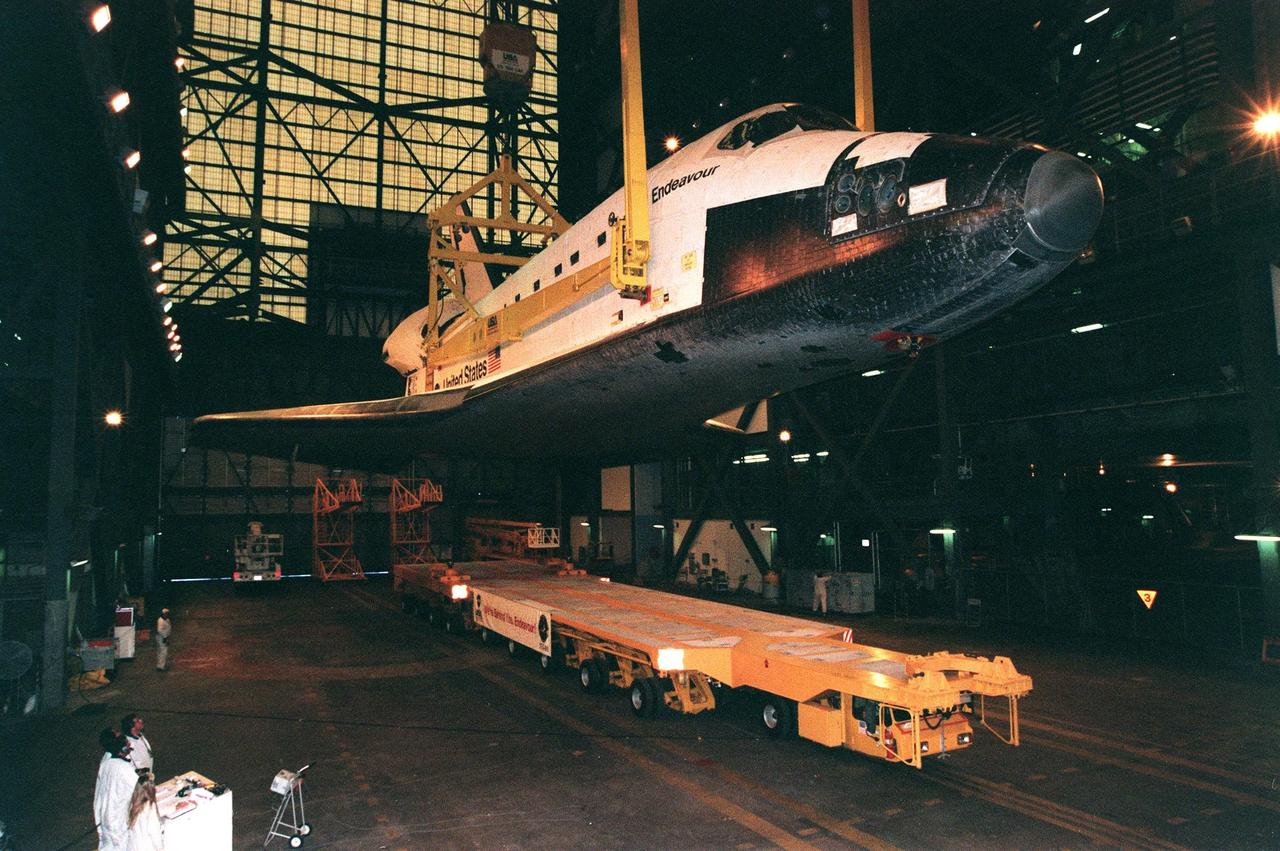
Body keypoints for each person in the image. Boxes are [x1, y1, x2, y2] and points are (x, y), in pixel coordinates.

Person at [94, 733, 136, 850]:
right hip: (118, 820)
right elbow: (139, 790)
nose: (130, 746)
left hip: (105, 816)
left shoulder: (106, 764)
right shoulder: (124, 768)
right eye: (128, 745)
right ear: (122, 749)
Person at [126, 772, 164, 851]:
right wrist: (160, 848)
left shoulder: (131, 803)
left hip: (132, 845)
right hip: (147, 847)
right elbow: (154, 832)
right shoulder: (150, 807)